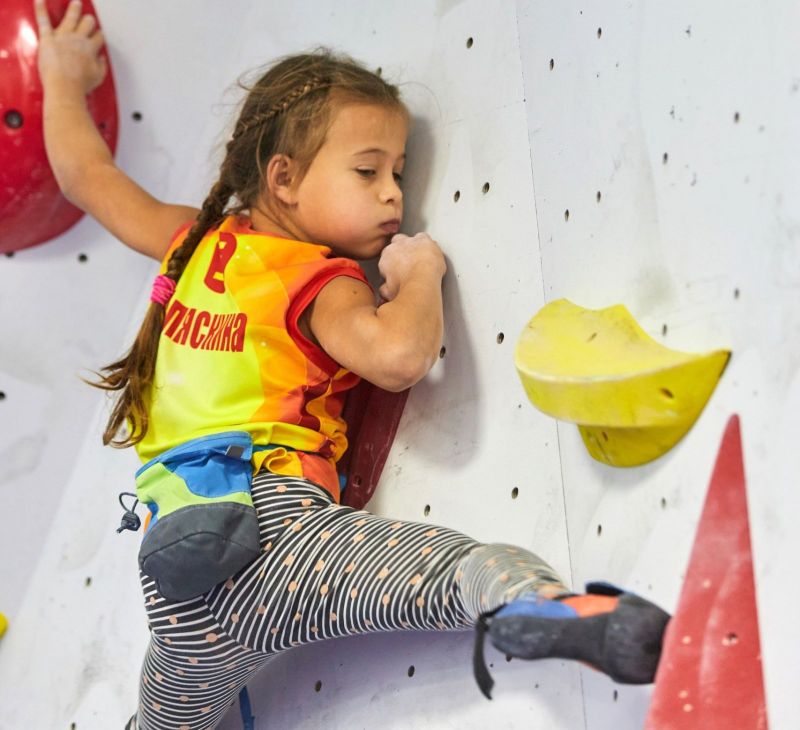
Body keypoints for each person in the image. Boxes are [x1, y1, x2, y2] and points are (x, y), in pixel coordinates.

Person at [34, 1, 670, 728]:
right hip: (282, 539)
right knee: (450, 575)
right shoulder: (317, 277)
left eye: (398, 171)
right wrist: (420, 271)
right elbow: (398, 356)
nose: (394, 192)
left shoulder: (191, 244)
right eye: (368, 171)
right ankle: (536, 605)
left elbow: (83, 173)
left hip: (180, 591)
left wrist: (61, 79)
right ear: (283, 178)